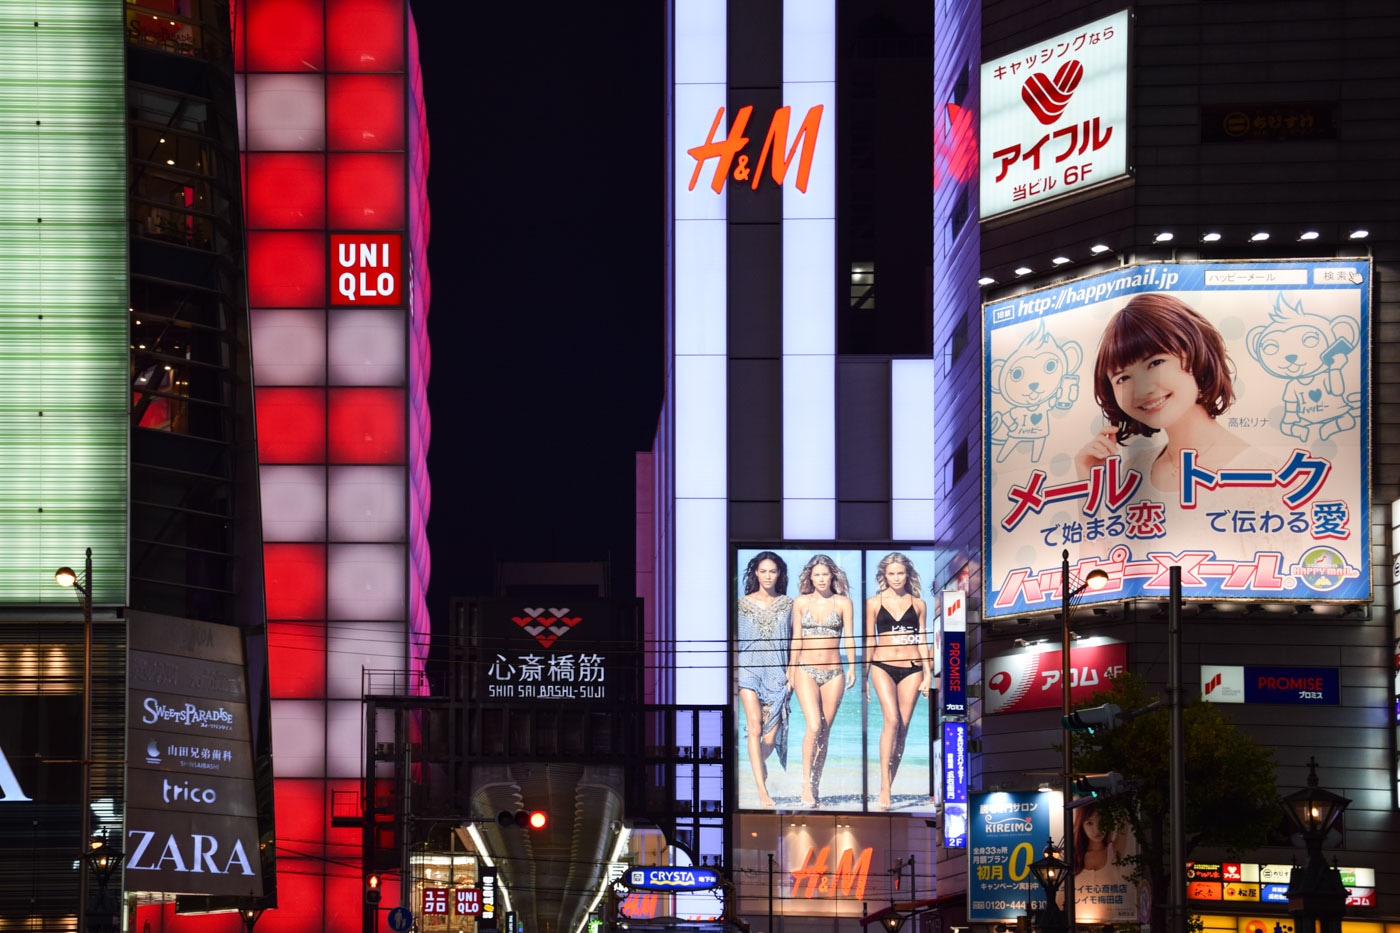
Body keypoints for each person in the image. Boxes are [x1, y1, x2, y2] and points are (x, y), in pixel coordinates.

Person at [1074, 293, 1247, 496]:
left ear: (1195, 352)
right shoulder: (1135, 470)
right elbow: (1097, 529)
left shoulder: (1263, 472)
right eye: (1123, 378)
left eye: (1155, 363)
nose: (1142, 390)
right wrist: (1090, 482)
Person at [788, 554, 856, 808]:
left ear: (832, 576)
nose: (820, 579)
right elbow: (796, 638)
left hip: (834, 673)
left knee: (825, 732)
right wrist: (790, 670)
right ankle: (806, 785)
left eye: (825, 574)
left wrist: (852, 666)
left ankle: (816, 784)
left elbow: (849, 636)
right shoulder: (801, 602)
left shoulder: (844, 603)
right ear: (810, 577)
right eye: (816, 575)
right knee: (814, 726)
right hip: (805, 669)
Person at [864, 552, 930, 810]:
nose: (896, 578)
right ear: (884, 576)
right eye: (891, 573)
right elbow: (869, 639)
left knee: (903, 727)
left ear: (908, 574)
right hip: (882, 665)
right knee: (891, 719)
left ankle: (890, 783)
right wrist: (863, 676)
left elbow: (923, 640)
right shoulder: (873, 603)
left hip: (912, 668)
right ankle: (883, 786)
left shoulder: (919, 604)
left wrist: (927, 673)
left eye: (900, 573)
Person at [736, 551, 794, 808]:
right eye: (763, 571)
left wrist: (791, 674)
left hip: (777, 674)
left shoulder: (788, 604)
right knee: (755, 728)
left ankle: (759, 764)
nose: (768, 576)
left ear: (779, 574)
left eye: (773, 571)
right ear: (755, 573)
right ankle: (762, 790)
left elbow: (796, 643)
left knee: (769, 739)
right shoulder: (740, 604)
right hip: (748, 671)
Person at [1068, 801, 1132, 921]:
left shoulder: (1113, 851)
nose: (1097, 829)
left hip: (1112, 922)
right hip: (1076, 922)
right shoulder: (1073, 856)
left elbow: (1124, 823)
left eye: (1102, 821)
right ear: (1081, 826)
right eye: (1089, 823)